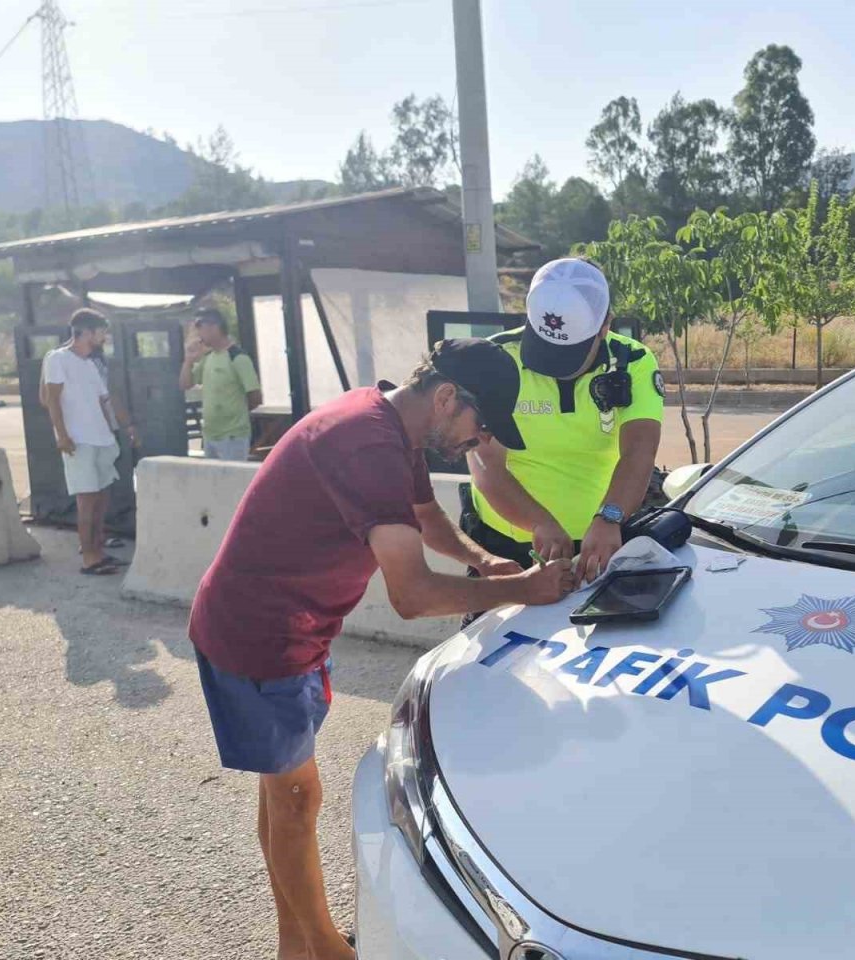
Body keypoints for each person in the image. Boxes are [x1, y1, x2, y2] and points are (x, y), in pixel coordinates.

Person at [188, 339, 575, 960]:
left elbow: (422, 515)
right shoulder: (368, 443)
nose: (479, 445)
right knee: (294, 798)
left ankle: (298, 944)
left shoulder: (394, 428)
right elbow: (412, 596)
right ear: (448, 397)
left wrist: (481, 561)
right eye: (480, 431)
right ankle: (322, 948)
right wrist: (524, 588)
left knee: (287, 794)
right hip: (261, 635)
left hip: (295, 628)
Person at [465, 257, 664, 588]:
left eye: (567, 353)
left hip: (601, 540)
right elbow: (487, 467)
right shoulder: (493, 359)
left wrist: (610, 517)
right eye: (543, 348)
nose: (552, 367)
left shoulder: (633, 362)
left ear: (605, 326)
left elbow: (639, 451)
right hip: (506, 547)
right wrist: (539, 522)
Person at [41, 308, 139, 575]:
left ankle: (98, 550)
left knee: (101, 499)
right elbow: (50, 398)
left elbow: (106, 398)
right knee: (87, 500)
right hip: (78, 440)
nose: (104, 337)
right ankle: (89, 559)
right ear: (85, 332)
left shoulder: (90, 363)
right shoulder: (57, 359)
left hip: (102, 439)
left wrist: (126, 425)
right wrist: (62, 435)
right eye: (101, 332)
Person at [178, 306, 262, 461]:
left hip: (232, 435)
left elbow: (255, 396)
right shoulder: (208, 357)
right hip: (210, 434)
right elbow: (185, 384)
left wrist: (236, 412)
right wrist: (188, 360)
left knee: (232, 480)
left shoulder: (237, 357)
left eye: (200, 329)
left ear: (213, 328)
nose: (199, 336)